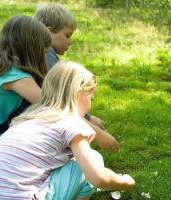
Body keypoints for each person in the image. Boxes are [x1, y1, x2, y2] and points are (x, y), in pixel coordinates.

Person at [0, 61, 135, 199]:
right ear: (78, 94)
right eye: (91, 99)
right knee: (92, 159)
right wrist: (124, 182)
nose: (90, 106)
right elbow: (97, 177)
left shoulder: (29, 118)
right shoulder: (70, 121)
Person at [34, 3, 119, 151]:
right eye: (67, 35)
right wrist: (88, 120)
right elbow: (59, 100)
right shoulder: (46, 57)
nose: (70, 42)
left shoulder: (45, 54)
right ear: (48, 32)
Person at [0, 15, 51, 137]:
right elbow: (54, 107)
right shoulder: (17, 78)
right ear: (35, 51)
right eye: (45, 52)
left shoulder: (4, 67)